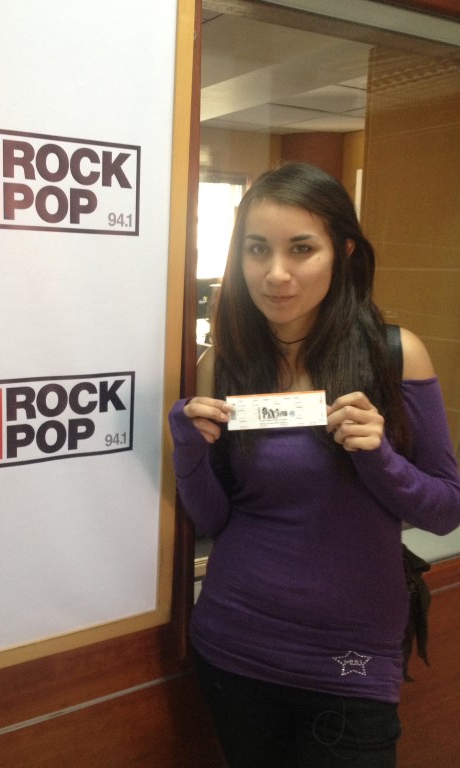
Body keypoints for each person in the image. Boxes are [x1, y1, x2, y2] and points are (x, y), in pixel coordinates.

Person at [168, 162, 460, 768]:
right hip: (235, 645)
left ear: (343, 252)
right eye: (257, 249)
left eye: (301, 249)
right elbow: (215, 518)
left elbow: (445, 510)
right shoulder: (222, 364)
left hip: (352, 659)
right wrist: (189, 450)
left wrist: (380, 458)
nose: (275, 274)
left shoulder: (395, 355)